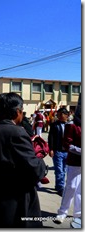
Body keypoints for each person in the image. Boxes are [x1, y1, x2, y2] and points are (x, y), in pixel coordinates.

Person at [0, 92, 47, 228]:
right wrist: (41, 163)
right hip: (15, 205)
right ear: (17, 112)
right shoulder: (17, 132)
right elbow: (34, 169)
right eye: (22, 111)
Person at [54, 94, 81, 227]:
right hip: (75, 162)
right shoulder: (72, 125)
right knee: (71, 187)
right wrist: (80, 151)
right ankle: (62, 212)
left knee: (81, 190)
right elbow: (66, 144)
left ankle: (78, 214)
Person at [48, 107, 69, 196]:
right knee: (59, 170)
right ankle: (61, 187)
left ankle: (58, 185)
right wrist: (51, 149)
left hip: (67, 152)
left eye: (61, 114)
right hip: (57, 151)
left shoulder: (70, 125)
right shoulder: (54, 125)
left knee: (64, 170)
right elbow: (51, 137)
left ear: (66, 115)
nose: (59, 116)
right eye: (58, 114)